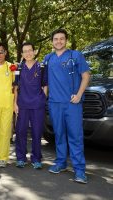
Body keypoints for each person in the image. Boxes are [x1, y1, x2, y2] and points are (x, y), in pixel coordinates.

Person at [45, 29, 90, 184]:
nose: (58, 41)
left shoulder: (76, 55)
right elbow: (43, 80)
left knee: (75, 136)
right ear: (52, 41)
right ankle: (61, 163)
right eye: (56, 39)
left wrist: (78, 95)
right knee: (59, 134)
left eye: (61, 39)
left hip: (72, 104)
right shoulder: (48, 58)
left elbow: (86, 76)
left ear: (66, 40)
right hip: (54, 103)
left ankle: (79, 170)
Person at [14, 42, 48, 169]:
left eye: (30, 50)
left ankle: (36, 158)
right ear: (22, 54)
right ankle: (21, 157)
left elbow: (45, 84)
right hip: (22, 104)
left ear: (34, 52)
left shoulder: (42, 67)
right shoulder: (19, 68)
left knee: (37, 132)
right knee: (20, 131)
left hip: (37, 104)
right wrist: (15, 103)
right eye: (25, 51)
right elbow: (16, 87)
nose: (28, 53)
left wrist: (43, 98)